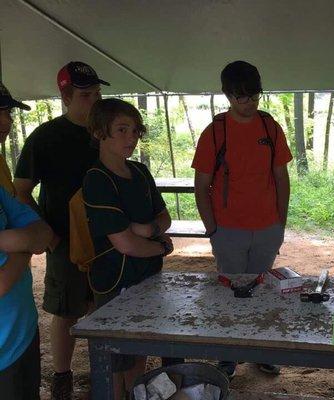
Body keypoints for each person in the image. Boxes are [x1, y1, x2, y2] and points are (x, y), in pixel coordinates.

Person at [192, 60, 292, 379]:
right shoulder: (215, 131)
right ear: (227, 95)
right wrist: (212, 229)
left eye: (254, 96)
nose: (249, 103)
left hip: (267, 228)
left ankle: (260, 351)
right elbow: (201, 183)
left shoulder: (269, 126)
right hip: (228, 229)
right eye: (241, 97)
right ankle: (228, 355)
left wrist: (280, 222)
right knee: (231, 291)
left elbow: (281, 176)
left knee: (262, 291)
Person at [14, 61, 108, 399]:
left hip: (107, 241)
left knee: (105, 305)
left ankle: (104, 369)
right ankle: (62, 376)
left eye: (97, 93)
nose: (94, 101)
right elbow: (21, 190)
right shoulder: (46, 137)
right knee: (66, 310)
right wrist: (47, 234)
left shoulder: (107, 133)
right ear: (65, 97)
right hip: (64, 241)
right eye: (86, 95)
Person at [83, 98, 173, 399]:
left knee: (140, 351)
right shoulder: (97, 179)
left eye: (135, 131)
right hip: (115, 282)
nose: (131, 138)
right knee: (116, 361)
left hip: (147, 277)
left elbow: (164, 217)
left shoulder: (140, 172)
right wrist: (159, 246)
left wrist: (146, 230)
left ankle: (138, 393)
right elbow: (125, 244)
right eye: (121, 130)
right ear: (99, 133)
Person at [0, 82, 54, 399]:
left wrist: (10, 241)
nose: (5, 121)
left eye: (6, 111)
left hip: (20, 333)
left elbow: (41, 233)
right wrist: (22, 247)